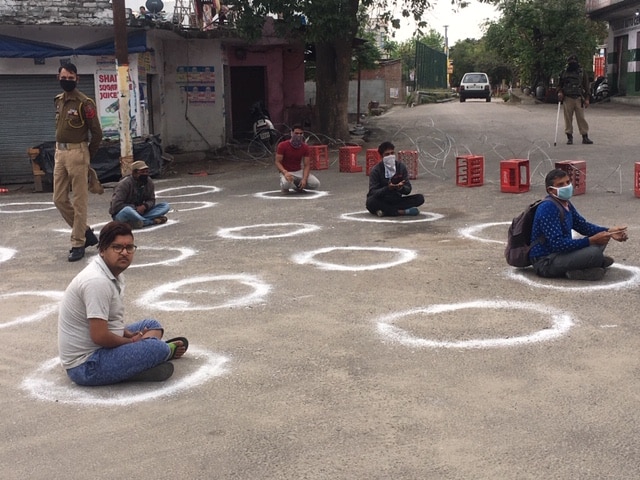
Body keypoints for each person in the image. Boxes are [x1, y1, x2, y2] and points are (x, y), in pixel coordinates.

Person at [58, 221, 188, 385]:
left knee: (152, 324)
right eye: (117, 247)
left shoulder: (112, 273)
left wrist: (128, 334)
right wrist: (132, 342)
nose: (124, 253)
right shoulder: (96, 281)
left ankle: (137, 364)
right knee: (158, 348)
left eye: (129, 248)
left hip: (100, 350)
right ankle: (159, 354)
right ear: (102, 250)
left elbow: (110, 321)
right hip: (86, 365)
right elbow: (99, 336)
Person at [529, 169, 628, 281]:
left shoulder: (565, 203)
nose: (566, 186)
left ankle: (586, 265)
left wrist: (610, 231)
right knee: (594, 252)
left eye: (567, 182)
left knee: (602, 237)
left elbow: (583, 226)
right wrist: (591, 241)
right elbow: (557, 244)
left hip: (561, 254)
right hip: (546, 261)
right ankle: (589, 264)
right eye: (561, 184)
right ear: (551, 190)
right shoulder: (548, 208)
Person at [53, 63, 104, 262]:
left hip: (78, 153)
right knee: (58, 199)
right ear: (58, 78)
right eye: (63, 77)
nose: (66, 81)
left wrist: (87, 154)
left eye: (70, 77)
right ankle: (86, 233)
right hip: (60, 152)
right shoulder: (58, 101)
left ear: (77, 79)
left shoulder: (85, 103)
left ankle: (78, 242)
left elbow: (97, 133)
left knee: (79, 201)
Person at [366, 141, 424, 217]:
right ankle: (401, 212)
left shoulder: (400, 167)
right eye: (387, 154)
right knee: (371, 202)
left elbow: (408, 189)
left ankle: (386, 211)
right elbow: (373, 192)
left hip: (396, 199)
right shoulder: (376, 170)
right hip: (381, 199)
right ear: (382, 156)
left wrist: (401, 188)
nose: (390, 156)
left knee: (419, 198)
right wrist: (388, 188)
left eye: (392, 153)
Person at [109, 160, 170, 229]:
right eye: (142, 172)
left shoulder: (148, 181)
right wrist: (135, 208)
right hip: (123, 214)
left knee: (165, 206)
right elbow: (116, 205)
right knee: (128, 210)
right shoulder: (124, 184)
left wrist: (144, 206)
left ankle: (138, 221)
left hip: (141, 212)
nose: (145, 174)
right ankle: (150, 221)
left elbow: (151, 200)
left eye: (146, 172)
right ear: (134, 173)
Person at [557, 54, 593, 145]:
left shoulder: (581, 72)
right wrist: (560, 92)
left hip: (578, 98)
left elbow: (586, 86)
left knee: (581, 118)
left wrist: (587, 99)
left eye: (574, 61)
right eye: (570, 62)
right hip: (567, 98)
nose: (572, 63)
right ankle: (569, 137)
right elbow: (559, 85)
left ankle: (585, 136)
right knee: (568, 119)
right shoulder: (564, 73)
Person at [275, 124, 320, 194]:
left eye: (300, 133)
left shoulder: (305, 147)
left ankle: (298, 186)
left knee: (315, 183)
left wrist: (304, 179)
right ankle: (284, 186)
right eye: (296, 133)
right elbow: (278, 162)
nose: (298, 135)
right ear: (292, 133)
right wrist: (285, 172)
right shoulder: (282, 145)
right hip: (286, 171)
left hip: (298, 171)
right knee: (286, 184)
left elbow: (307, 165)